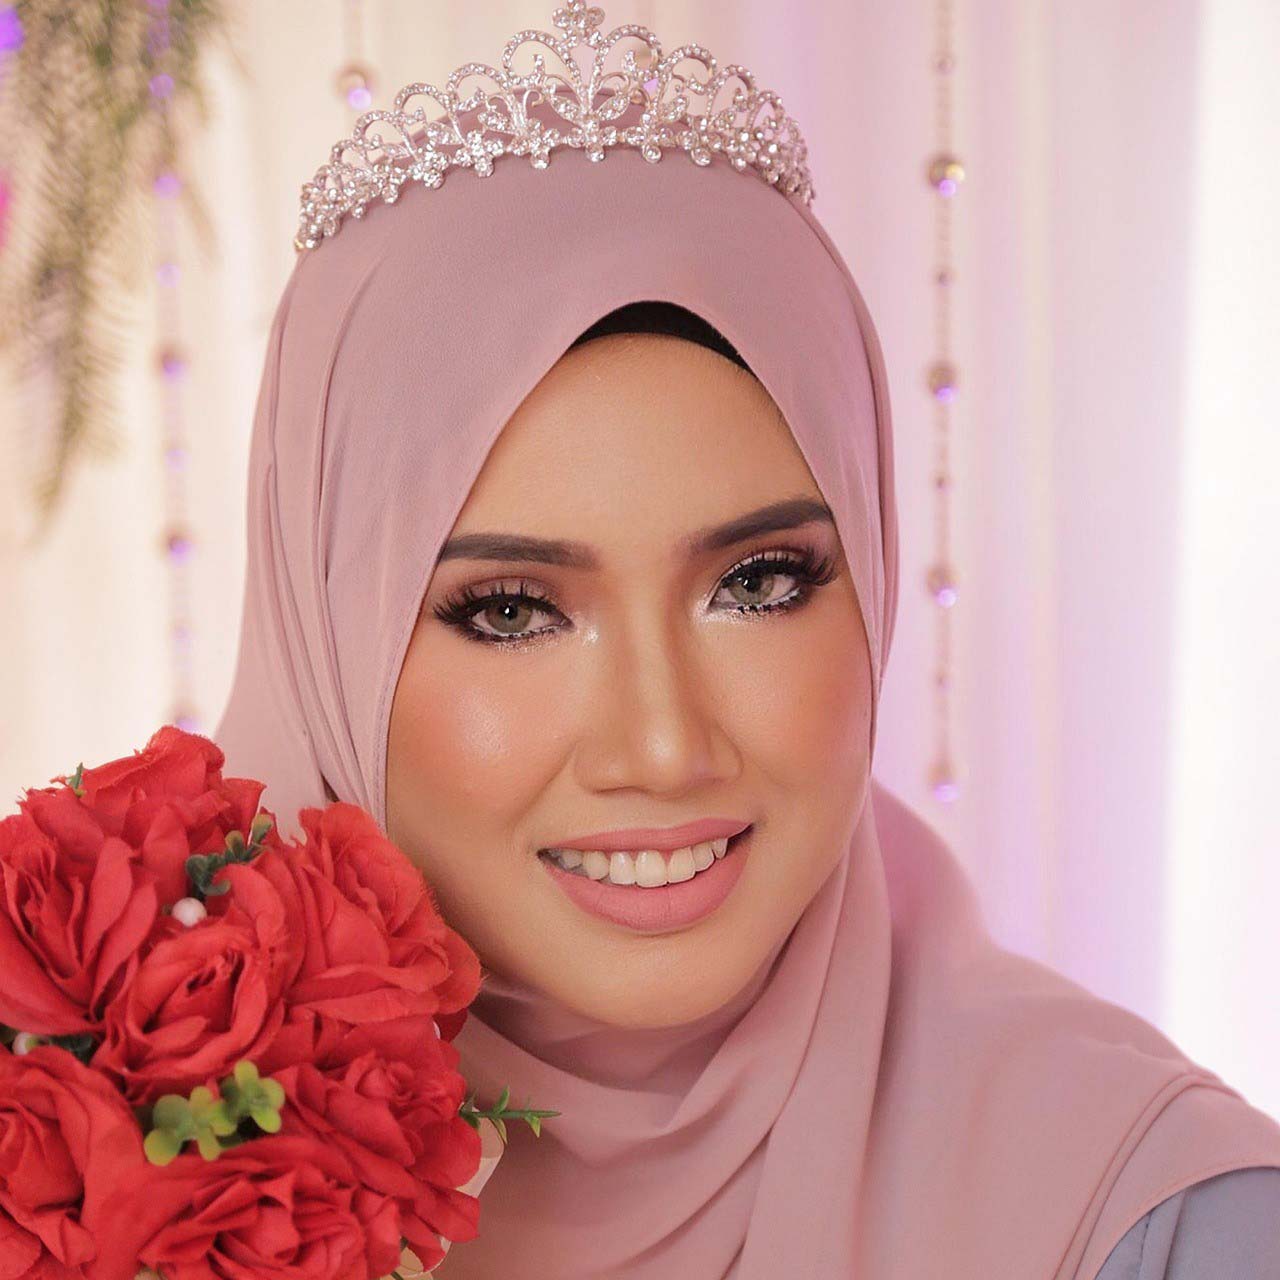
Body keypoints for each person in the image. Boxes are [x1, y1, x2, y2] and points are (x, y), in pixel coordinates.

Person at [213, 5, 1280, 1276]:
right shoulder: (99, 1163)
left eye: (759, 581)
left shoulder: (1161, 1224)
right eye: (511, 611)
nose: (661, 747)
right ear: (321, 649)